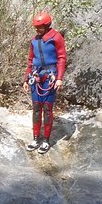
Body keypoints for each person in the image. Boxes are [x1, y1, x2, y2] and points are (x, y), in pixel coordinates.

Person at [22, 11, 67, 154]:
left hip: (50, 77)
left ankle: (46, 140)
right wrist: (25, 79)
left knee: (47, 109)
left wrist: (59, 78)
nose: (37, 30)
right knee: (36, 108)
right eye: (36, 28)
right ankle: (36, 138)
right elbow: (30, 61)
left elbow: (61, 58)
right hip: (36, 76)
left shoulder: (56, 37)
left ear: (47, 25)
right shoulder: (34, 41)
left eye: (40, 27)